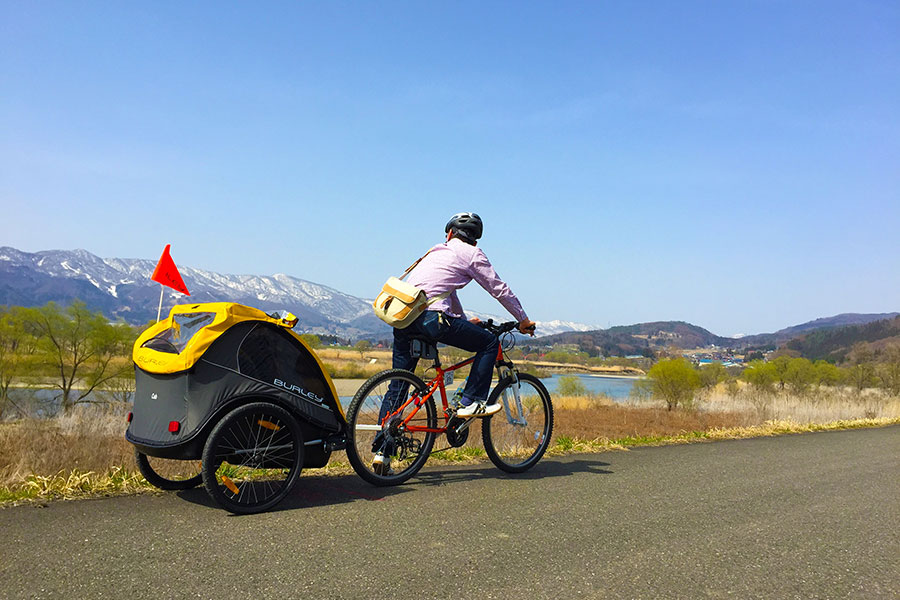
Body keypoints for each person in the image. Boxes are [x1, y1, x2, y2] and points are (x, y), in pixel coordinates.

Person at [373, 212, 535, 474]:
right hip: (432, 320)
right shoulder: (472, 253)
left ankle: (383, 454)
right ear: (475, 240)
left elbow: (442, 291)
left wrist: (461, 320)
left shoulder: (434, 252)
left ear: (449, 234)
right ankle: (470, 400)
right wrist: (523, 319)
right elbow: (498, 288)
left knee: (399, 383)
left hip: (404, 319)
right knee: (488, 345)